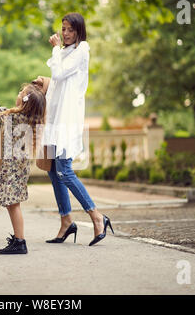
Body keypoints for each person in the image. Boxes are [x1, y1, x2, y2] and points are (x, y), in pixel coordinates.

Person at [42, 13, 114, 246]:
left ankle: (97, 216)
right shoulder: (64, 52)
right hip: (54, 120)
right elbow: (57, 83)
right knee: (53, 170)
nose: (65, 33)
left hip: (67, 120)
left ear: (79, 31)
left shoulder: (82, 49)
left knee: (64, 171)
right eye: (63, 29)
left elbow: (60, 73)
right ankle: (66, 222)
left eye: (70, 30)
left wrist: (54, 50)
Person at [0, 84, 46, 254]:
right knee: (12, 204)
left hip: (14, 168)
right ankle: (18, 239)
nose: (18, 93)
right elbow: (1, 110)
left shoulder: (17, 119)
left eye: (20, 92)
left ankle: (20, 242)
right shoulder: (23, 117)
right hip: (18, 167)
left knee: (13, 205)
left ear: (25, 101)